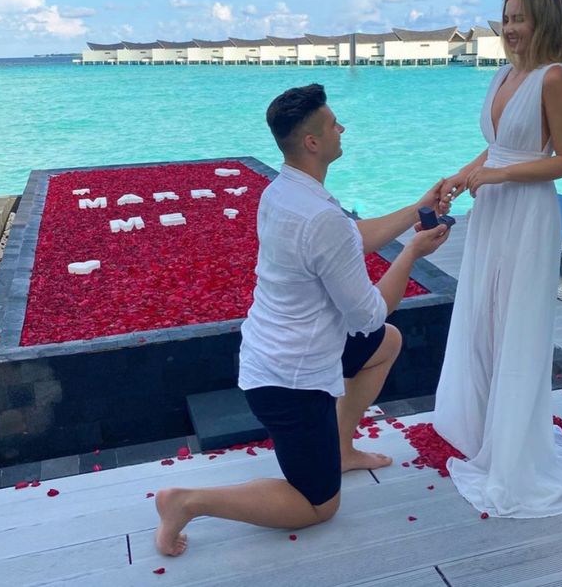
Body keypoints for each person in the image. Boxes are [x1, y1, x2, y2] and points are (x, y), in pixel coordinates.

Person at [156, 83, 450, 555]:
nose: (341, 128)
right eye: (333, 123)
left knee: (386, 343)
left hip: (275, 351)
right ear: (312, 142)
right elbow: (370, 312)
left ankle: (341, 448)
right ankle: (187, 501)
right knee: (318, 505)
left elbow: (352, 238)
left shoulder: (283, 190)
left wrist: (420, 208)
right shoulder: (319, 216)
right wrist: (412, 251)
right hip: (289, 380)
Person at [433, 0, 562, 518]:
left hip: (527, 213)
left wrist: (500, 174)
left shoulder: (554, 78)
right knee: (483, 313)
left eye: (520, 17)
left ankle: (515, 448)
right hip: (493, 208)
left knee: (516, 320)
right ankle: (481, 425)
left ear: (545, 20)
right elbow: (499, 143)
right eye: (505, 17)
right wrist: (464, 174)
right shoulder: (505, 73)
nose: (510, 27)